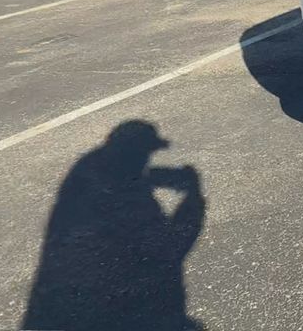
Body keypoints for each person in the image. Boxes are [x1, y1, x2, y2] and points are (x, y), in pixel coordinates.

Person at [23, 120, 205, 331]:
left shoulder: (91, 169)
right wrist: (193, 199)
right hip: (111, 311)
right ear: (135, 156)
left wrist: (159, 178)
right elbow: (170, 247)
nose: (147, 159)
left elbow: (131, 178)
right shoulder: (129, 203)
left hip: (64, 302)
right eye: (145, 154)